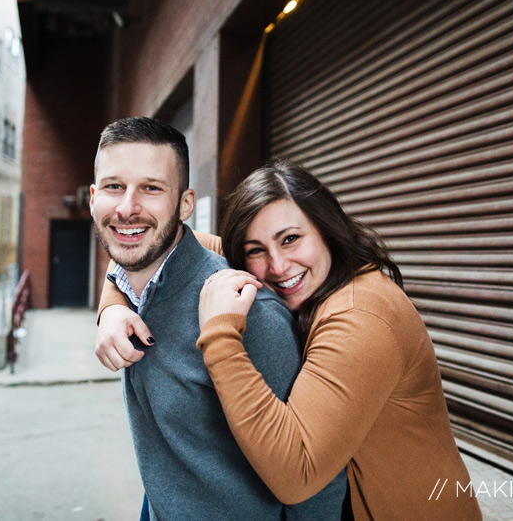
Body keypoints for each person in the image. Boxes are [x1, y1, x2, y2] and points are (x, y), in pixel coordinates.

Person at [100, 159, 483, 520]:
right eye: (256, 251)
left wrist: (220, 334)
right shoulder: (312, 280)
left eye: (291, 239)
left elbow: (297, 475)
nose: (278, 266)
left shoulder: (361, 316)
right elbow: (149, 243)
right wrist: (113, 307)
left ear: (328, 231)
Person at [89, 118, 345, 521]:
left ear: (186, 204)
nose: (126, 207)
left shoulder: (248, 312)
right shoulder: (133, 287)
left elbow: (317, 482)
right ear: (92, 198)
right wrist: (112, 305)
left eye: (152, 188)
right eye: (113, 186)